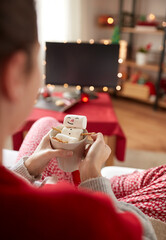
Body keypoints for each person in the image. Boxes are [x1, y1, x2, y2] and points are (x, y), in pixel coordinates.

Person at [0, 0, 156, 239]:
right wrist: (94, 176)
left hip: (30, 174)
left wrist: (28, 167)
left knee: (45, 125)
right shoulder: (73, 214)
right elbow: (146, 236)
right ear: (15, 74)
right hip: (108, 204)